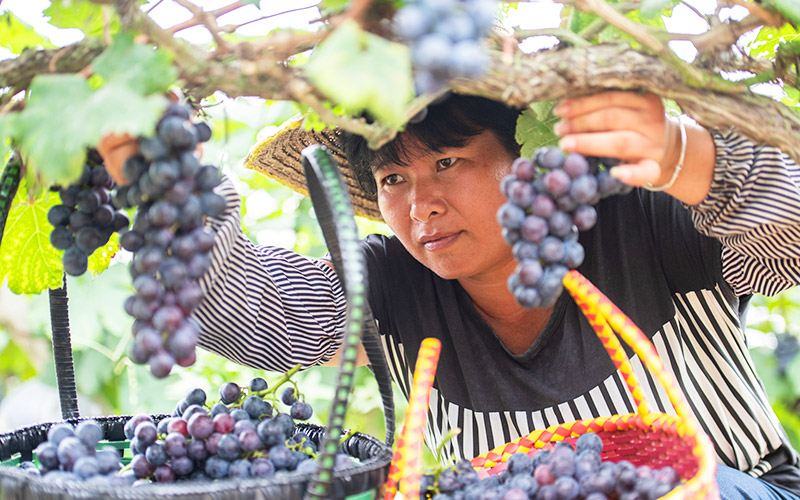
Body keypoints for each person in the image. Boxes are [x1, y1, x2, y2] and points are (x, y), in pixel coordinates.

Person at [101, 90, 800, 498]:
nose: (421, 204)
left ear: (531, 164)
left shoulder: (648, 226)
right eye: (393, 179)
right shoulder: (390, 288)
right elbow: (252, 314)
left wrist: (686, 157)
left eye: (447, 161)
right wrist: (170, 194)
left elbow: (788, 238)